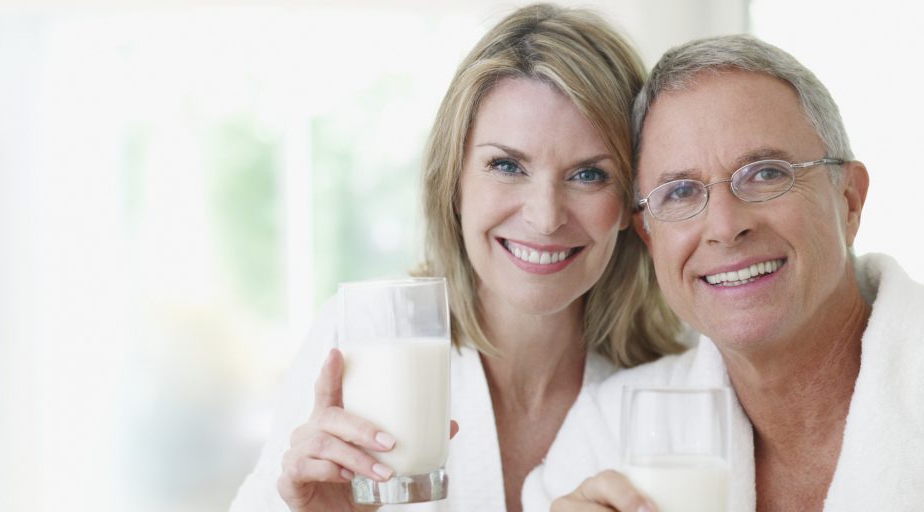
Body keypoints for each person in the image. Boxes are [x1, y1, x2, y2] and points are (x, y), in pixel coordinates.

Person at [229, 4, 687, 512]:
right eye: (507, 165)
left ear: (631, 199)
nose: (543, 217)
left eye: (588, 175)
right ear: (455, 180)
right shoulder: (363, 337)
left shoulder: (674, 386)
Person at [523, 34, 924, 512]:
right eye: (680, 192)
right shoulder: (609, 433)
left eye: (766, 173)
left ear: (849, 201)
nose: (725, 227)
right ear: (649, 238)